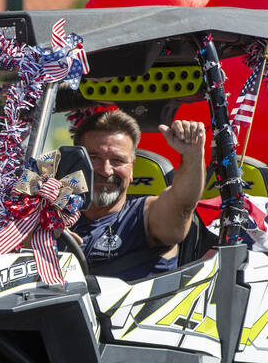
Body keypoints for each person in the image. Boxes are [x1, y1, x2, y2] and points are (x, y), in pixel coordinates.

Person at [69, 108, 206, 280]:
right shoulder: (51, 216)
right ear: (76, 161)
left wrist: (192, 154)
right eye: (94, 157)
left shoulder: (146, 215)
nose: (105, 170)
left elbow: (183, 204)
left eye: (117, 160)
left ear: (132, 167)